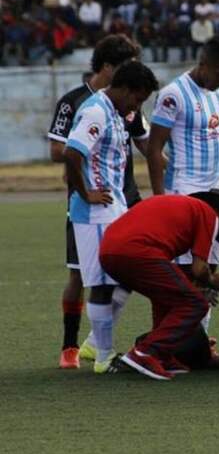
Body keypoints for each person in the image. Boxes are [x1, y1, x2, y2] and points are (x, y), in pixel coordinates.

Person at [48, 35, 151, 369]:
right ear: (122, 86)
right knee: (101, 283)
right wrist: (84, 193)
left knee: (125, 275)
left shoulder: (115, 109)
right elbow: (71, 154)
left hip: (115, 206)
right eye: (137, 99)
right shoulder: (93, 111)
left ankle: (95, 346)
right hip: (94, 212)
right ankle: (101, 354)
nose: (137, 107)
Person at [99, 190, 219, 380]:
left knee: (165, 298)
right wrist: (212, 280)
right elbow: (199, 269)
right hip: (138, 250)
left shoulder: (180, 205)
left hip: (108, 250)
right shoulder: (209, 214)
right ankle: (145, 352)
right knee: (196, 303)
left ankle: (162, 355)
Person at [147, 36, 219, 279]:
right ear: (203, 64)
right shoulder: (173, 94)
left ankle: (202, 318)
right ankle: (186, 316)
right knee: (187, 268)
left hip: (215, 189)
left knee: (212, 262)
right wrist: (160, 202)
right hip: (184, 189)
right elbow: (154, 148)